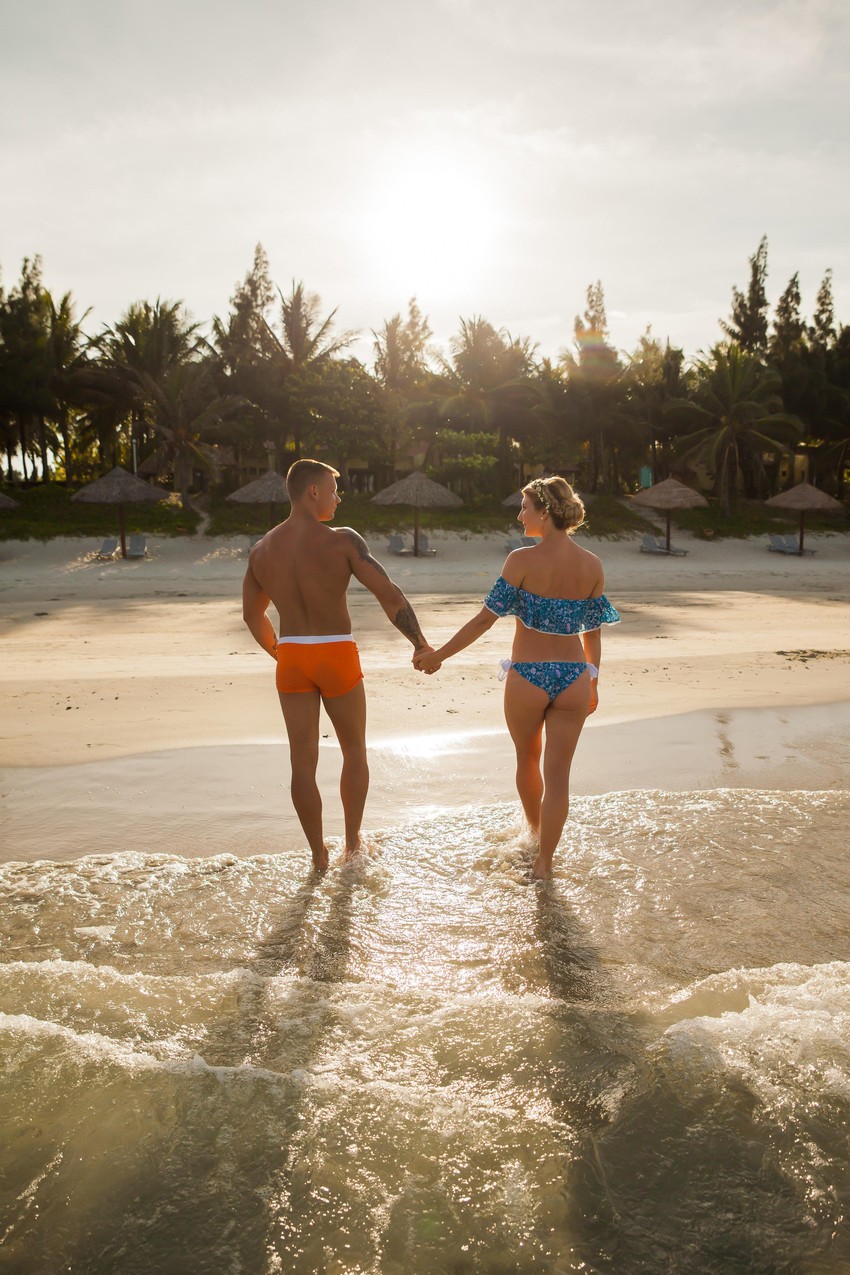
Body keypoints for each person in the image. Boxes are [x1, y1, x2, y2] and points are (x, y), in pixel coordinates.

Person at [414, 476, 619, 880]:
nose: (519, 513)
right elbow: (591, 632)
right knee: (558, 776)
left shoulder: (521, 561)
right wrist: (593, 682)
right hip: (575, 676)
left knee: (528, 759)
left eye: (525, 506)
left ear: (544, 512)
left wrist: (438, 655)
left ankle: (533, 834)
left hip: (528, 676)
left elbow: (484, 620)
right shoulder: (592, 565)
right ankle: (544, 864)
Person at [242, 459, 434, 873]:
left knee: (302, 762)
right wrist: (419, 643)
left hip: (292, 657)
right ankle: (351, 846)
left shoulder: (262, 551)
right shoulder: (343, 540)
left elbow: (252, 616)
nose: (337, 497)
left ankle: (317, 856)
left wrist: (281, 651)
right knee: (353, 752)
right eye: (333, 489)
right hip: (335, 653)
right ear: (313, 492)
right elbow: (389, 595)